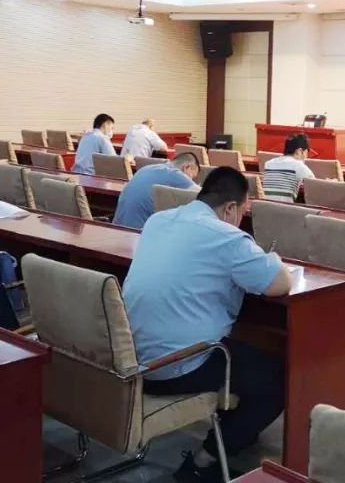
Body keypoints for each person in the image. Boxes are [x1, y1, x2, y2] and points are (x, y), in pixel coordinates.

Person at [123, 167, 291, 482]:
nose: (240, 219)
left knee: (246, 355)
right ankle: (203, 462)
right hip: (177, 366)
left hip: (130, 358)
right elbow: (279, 283)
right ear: (230, 208)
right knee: (280, 379)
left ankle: (236, 435)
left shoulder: (158, 221)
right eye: (243, 212)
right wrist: (275, 259)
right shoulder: (227, 237)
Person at [112, 152, 199, 229]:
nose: (191, 179)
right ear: (187, 167)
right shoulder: (174, 173)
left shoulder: (146, 168)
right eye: (192, 176)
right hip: (137, 232)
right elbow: (201, 194)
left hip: (117, 227)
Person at [260, 134, 315, 203]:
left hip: (265, 206)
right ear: (299, 151)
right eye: (306, 152)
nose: (306, 156)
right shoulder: (298, 165)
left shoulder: (269, 163)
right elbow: (315, 184)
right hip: (284, 208)